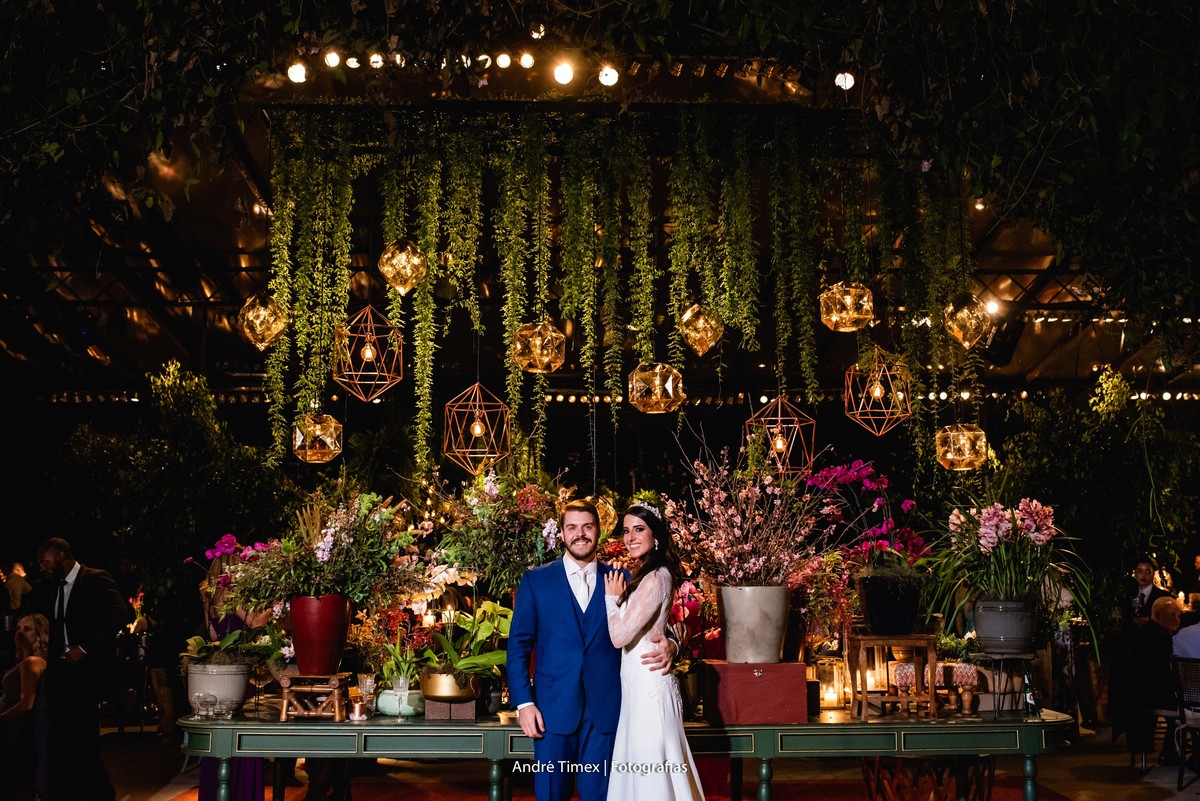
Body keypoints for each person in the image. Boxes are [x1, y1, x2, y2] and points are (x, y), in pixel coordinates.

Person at [507, 499, 677, 801]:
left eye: (587, 527)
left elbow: (665, 621)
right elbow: (518, 647)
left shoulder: (624, 579)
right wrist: (524, 704)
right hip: (551, 712)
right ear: (561, 533)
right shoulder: (536, 581)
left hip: (607, 712)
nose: (580, 534)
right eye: (572, 527)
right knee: (550, 795)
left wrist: (674, 645)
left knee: (600, 796)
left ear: (598, 531)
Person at [602, 503, 703, 801]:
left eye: (639, 529)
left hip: (649, 687)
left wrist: (612, 600)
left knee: (652, 771)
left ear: (655, 535)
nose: (631, 537)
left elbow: (619, 636)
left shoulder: (656, 577)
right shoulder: (647, 574)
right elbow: (659, 625)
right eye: (627, 530)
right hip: (639, 686)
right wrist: (672, 639)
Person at [31, 537, 128, 801]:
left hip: (87, 674)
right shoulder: (53, 587)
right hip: (60, 674)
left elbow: (120, 614)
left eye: (44, 560)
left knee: (82, 740)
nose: (41, 567)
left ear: (62, 555)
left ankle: (98, 794)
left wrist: (84, 648)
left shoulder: (95, 579)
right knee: (61, 740)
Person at [197, 554, 267, 801]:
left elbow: (212, 634)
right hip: (238, 677)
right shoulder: (235, 595)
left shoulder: (208, 596)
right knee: (242, 743)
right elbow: (258, 622)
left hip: (217, 679)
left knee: (218, 742)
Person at [0, 613, 50, 800]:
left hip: (13, 733)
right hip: (13, 733)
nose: (19, 633)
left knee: (11, 785)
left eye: (27, 629)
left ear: (40, 636)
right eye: (18, 628)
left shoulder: (32, 662)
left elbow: (26, 703)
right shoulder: (27, 661)